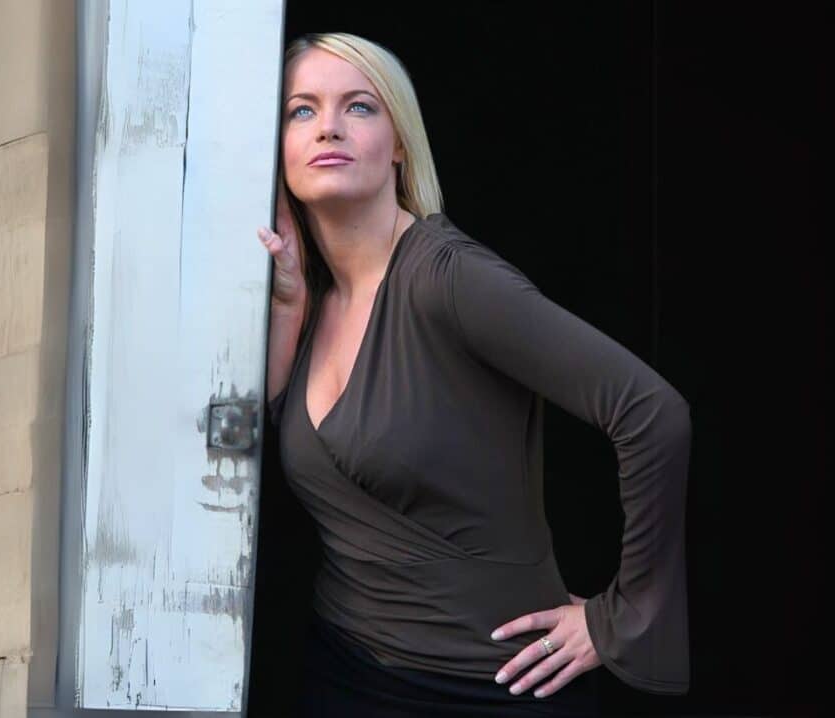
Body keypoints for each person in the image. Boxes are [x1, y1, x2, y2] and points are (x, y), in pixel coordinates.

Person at [256, 31, 692, 717]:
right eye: (301, 110)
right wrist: (288, 307)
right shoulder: (310, 296)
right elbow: (261, 456)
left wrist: (621, 618)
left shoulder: (450, 279)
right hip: (345, 672)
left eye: (359, 106)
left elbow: (650, 413)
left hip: (495, 688)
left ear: (399, 144)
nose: (328, 127)